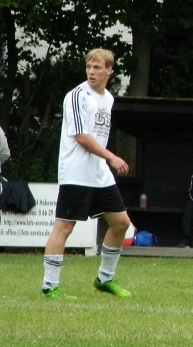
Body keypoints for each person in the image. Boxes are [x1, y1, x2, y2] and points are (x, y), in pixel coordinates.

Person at [40, 49, 132, 299]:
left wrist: (105, 161)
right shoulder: (77, 96)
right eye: (89, 67)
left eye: (97, 68)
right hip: (76, 172)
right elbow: (81, 137)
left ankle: (104, 279)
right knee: (64, 227)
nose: (91, 72)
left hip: (99, 173)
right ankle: (49, 286)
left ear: (109, 70)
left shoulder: (108, 98)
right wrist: (111, 157)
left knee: (121, 223)